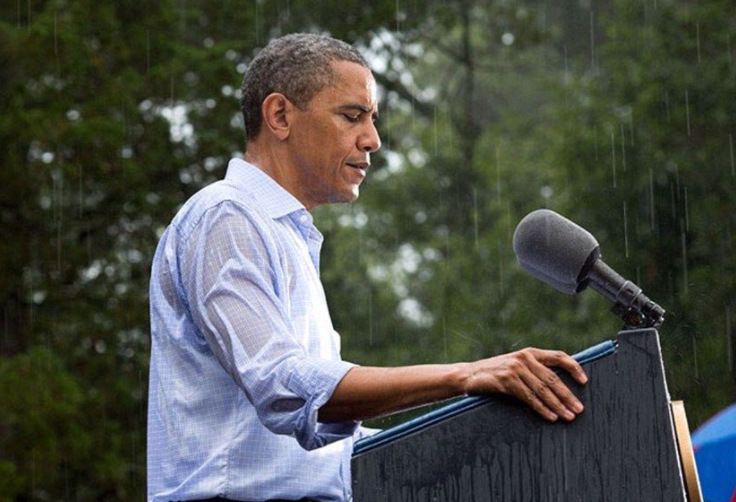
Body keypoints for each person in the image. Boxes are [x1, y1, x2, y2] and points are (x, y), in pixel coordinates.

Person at [147, 33, 588, 502]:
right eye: (352, 116)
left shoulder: (285, 234)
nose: (372, 140)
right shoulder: (226, 216)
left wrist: (491, 432)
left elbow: (326, 451)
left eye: (372, 119)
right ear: (279, 116)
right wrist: (467, 375)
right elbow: (283, 384)